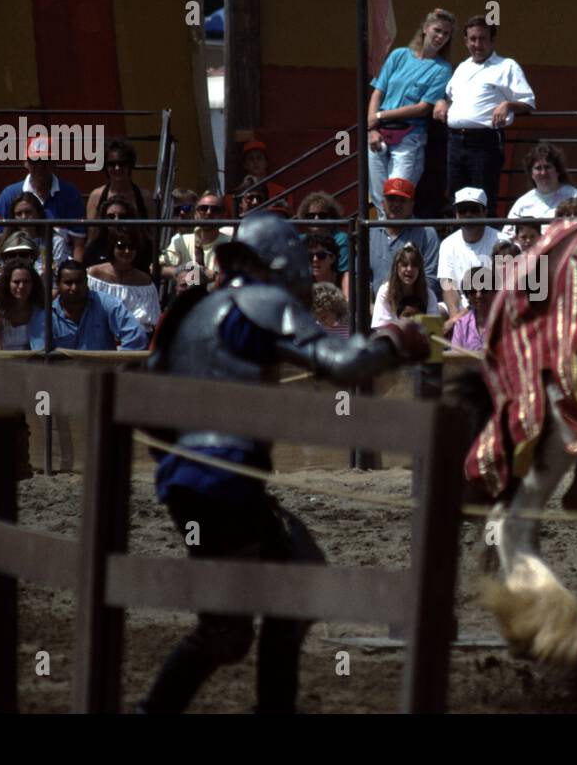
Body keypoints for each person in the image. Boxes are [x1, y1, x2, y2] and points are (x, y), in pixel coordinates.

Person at [140, 211, 430, 714]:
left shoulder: (191, 310)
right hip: (226, 481)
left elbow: (146, 403)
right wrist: (396, 341)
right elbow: (344, 364)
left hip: (186, 481)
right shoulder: (265, 301)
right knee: (240, 622)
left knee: (281, 586)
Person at [434, 16, 536, 215]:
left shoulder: (506, 66)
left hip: (484, 143)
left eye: (482, 39)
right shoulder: (463, 67)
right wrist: (442, 103)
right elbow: (450, 97)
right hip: (454, 141)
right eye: (472, 39)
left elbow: (528, 102)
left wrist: (507, 104)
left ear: (492, 40)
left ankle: (488, 246)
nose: (477, 44)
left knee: (483, 200)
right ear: (466, 41)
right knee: (456, 200)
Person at [366, 8, 456, 212]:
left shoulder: (442, 69)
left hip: (409, 137)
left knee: (399, 194)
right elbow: (378, 91)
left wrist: (378, 116)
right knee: (379, 197)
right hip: (378, 133)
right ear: (425, 28)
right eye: (437, 30)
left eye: (446, 34)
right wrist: (371, 127)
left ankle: (404, 242)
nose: (440, 37)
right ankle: (383, 242)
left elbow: (423, 108)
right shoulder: (399, 55)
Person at [0, 137, 87, 271]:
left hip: (59, 269)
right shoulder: (9, 194)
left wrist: (73, 278)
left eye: (44, 160)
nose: (39, 166)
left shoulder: (70, 194)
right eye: (34, 160)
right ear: (26, 163)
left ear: (54, 162)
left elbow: (78, 243)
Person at [27, 260, 148, 351]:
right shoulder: (45, 316)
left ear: (87, 282)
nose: (74, 288)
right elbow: (40, 355)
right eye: (68, 283)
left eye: (79, 282)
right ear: (58, 284)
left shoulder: (106, 303)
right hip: (63, 379)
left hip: (102, 377)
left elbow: (136, 337)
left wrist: (119, 368)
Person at [367, 178, 440, 299]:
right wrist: (370, 306)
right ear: (383, 203)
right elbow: (361, 277)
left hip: (416, 306)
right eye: (391, 199)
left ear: (412, 204)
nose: (396, 204)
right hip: (376, 308)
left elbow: (431, 279)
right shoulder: (370, 232)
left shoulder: (427, 233)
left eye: (402, 200)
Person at [438, 187, 499, 328]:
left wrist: (458, 320)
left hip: (489, 303)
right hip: (460, 306)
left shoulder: (501, 241)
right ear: (456, 215)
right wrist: (456, 318)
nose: (468, 214)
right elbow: (448, 286)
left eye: (474, 210)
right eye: (463, 210)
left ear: (485, 212)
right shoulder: (447, 244)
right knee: (436, 313)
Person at [501, 143, 577, 239]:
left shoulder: (575, 196)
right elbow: (506, 238)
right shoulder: (522, 203)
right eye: (538, 168)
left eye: (547, 167)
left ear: (558, 170)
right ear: (531, 174)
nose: (543, 173)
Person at [86, 229, 160, 334]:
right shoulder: (94, 274)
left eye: (131, 247)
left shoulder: (144, 281)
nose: (127, 251)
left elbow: (148, 318)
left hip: (133, 338)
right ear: (112, 247)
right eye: (121, 246)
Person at [0, 191, 68, 281]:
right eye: (19, 214)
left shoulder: (55, 242)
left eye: (28, 212)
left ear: (38, 214)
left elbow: (60, 280)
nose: (24, 217)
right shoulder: (4, 244)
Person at [160, 191, 234, 288]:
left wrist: (214, 276)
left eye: (215, 210)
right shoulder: (181, 241)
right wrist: (179, 272)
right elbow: (155, 267)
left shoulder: (231, 243)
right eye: (203, 209)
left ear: (223, 215)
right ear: (195, 214)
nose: (208, 213)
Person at [296, 191, 351, 299]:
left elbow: (345, 273)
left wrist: (346, 300)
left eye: (322, 215)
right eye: (311, 216)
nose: (316, 219)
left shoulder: (341, 238)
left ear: (331, 217)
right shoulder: (300, 239)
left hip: (334, 289)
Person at [371, 243, 440, 329]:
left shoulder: (429, 294)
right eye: (405, 265)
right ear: (396, 268)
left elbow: (433, 327)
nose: (409, 269)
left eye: (414, 265)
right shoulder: (385, 292)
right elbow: (380, 328)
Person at [83, 194, 154, 274]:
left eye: (122, 216)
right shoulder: (94, 247)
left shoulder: (144, 245)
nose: (116, 220)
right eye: (111, 216)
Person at [0, 259, 45, 351]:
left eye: (26, 282)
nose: (21, 286)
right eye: (16, 282)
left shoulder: (41, 313)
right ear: (7, 284)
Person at [86, 137, 152, 221]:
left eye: (122, 163)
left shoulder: (144, 197)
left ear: (130, 164)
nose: (117, 168)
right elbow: (92, 232)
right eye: (111, 164)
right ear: (105, 166)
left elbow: (151, 232)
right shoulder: (96, 196)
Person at [224, 141, 291, 217]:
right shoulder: (233, 197)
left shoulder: (282, 193)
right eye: (251, 159)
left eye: (259, 158)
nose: (255, 161)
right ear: (245, 165)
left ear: (266, 163)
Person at [450, 265, 493, 352]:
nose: (478, 295)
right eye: (472, 291)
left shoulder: (503, 322)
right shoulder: (461, 325)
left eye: (484, 289)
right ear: (467, 295)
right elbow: (455, 359)